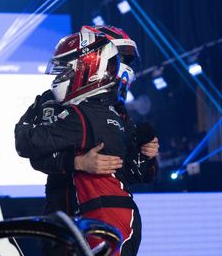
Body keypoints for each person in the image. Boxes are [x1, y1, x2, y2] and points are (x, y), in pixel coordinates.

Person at [15, 28, 159, 255]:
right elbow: (36, 155)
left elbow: (134, 173)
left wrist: (147, 155)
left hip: (97, 215)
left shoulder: (105, 112)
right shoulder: (63, 104)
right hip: (67, 212)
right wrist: (76, 162)